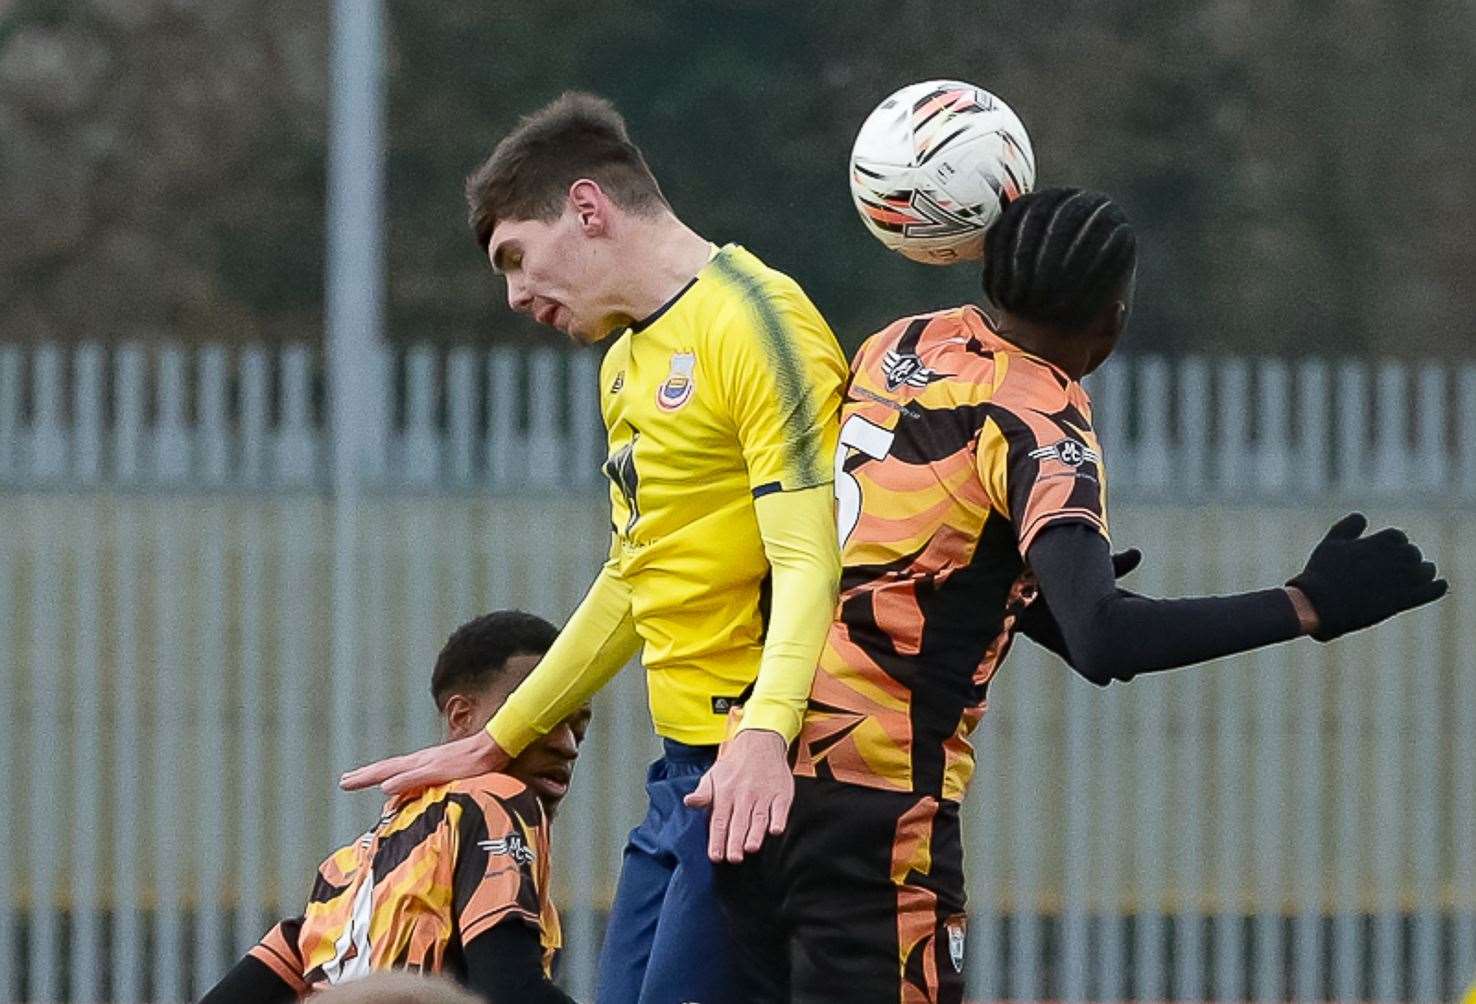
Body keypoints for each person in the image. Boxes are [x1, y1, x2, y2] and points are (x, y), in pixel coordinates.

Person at [713, 186, 1449, 1003]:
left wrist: (1021, 591)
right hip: (876, 808)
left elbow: (900, 558)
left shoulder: (899, 345)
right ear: (1113, 318)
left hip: (755, 771)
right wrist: (1307, 604)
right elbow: (1106, 641)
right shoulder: (1044, 423)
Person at [340, 92, 847, 1004]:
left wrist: (767, 733)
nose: (514, 295)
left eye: (517, 258)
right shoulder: (624, 362)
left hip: (763, 768)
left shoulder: (759, 320)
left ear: (587, 208)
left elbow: (813, 558)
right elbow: (633, 576)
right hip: (685, 774)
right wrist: (499, 738)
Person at [200, 611, 589, 1004]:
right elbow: (510, 991)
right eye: (541, 717)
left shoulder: (342, 875)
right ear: (461, 716)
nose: (567, 744)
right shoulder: (491, 801)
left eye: (579, 728)